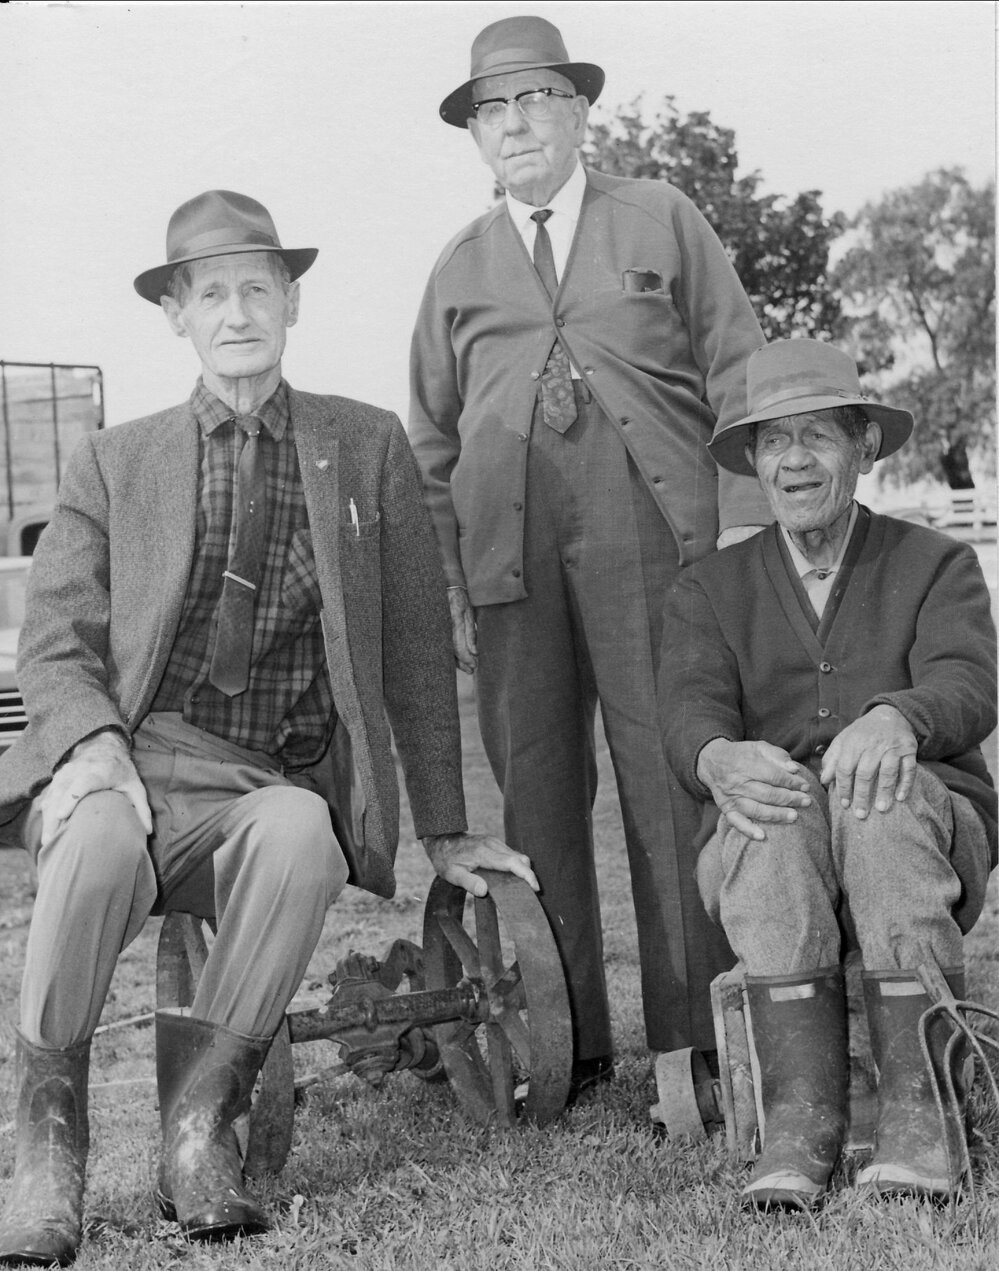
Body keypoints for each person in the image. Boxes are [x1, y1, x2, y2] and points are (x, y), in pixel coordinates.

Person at [0, 189, 537, 1265]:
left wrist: (443, 826)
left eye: (258, 288)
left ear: (292, 303)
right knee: (95, 832)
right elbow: (55, 636)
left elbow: (414, 651)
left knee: (302, 832)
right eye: (211, 294)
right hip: (138, 763)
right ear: (177, 317)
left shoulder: (366, 444)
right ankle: (45, 1156)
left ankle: (200, 1134)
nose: (237, 312)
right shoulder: (115, 461)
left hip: (268, 786)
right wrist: (95, 747)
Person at [408, 14, 773, 1095]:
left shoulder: (661, 216)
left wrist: (742, 522)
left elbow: (741, 367)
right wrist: (450, 583)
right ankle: (560, 1046)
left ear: (578, 112)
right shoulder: (457, 266)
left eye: (535, 99)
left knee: (670, 778)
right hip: (509, 567)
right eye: (491, 109)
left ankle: (694, 1044)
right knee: (536, 795)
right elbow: (429, 444)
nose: (514, 123)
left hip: (655, 544)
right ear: (476, 137)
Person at [658, 338, 997, 1208]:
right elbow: (688, 709)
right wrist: (716, 757)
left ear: (863, 446)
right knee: (769, 808)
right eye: (773, 440)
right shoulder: (708, 588)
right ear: (754, 463)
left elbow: (970, 682)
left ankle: (922, 1118)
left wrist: (897, 718)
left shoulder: (935, 562)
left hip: (917, 826)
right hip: (773, 841)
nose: (793, 459)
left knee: (874, 796)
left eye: (816, 435)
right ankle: (799, 1124)